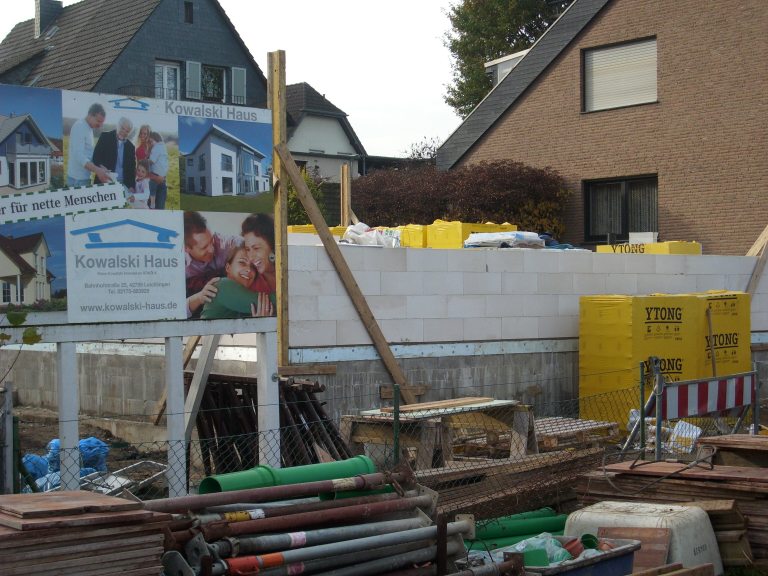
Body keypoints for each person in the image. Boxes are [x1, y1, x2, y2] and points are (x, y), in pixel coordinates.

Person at [184, 211, 241, 318]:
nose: (212, 249)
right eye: (204, 247)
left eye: (211, 241)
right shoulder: (175, 265)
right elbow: (170, 311)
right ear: (186, 248)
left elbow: (249, 245)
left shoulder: (225, 244)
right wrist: (199, 297)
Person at [200, 246, 273, 319]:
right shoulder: (222, 285)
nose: (249, 270)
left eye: (253, 267)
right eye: (242, 262)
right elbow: (276, 303)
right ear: (228, 268)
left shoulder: (243, 302)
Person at [241, 212, 276, 316]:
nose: (251, 257)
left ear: (272, 245)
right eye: (248, 249)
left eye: (256, 248)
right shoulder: (251, 282)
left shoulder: (290, 272)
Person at [67, 103, 110, 186]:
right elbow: (78, 155)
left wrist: (100, 167)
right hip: (77, 180)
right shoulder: (80, 126)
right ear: (90, 115)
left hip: (83, 179)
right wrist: (97, 170)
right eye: (98, 121)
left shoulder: (88, 128)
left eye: (102, 123)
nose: (100, 125)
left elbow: (88, 155)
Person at [92, 116, 136, 190]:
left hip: (122, 185)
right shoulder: (105, 137)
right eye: (122, 128)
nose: (124, 132)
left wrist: (131, 186)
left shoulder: (130, 147)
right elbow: (96, 158)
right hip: (104, 181)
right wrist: (101, 167)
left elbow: (132, 169)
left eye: (127, 131)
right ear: (118, 126)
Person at [148, 131, 168, 209]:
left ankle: (152, 204)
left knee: (152, 191)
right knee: (161, 203)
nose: (151, 143)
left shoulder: (156, 147)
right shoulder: (163, 147)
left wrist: (143, 162)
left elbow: (152, 161)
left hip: (155, 176)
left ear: (156, 139)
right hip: (163, 177)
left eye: (151, 141)